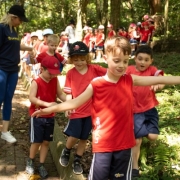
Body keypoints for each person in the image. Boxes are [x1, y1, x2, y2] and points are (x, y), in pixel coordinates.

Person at [31, 36, 180, 180]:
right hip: (103, 144)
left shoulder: (129, 79)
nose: (121, 65)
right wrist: (50, 109)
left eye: (125, 61)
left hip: (124, 144)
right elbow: (75, 102)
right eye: (116, 61)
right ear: (105, 58)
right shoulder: (96, 84)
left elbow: (160, 78)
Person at [59, 41, 106, 175]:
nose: (79, 62)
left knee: (84, 138)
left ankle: (77, 160)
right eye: (76, 59)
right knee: (74, 135)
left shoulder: (94, 69)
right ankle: (67, 151)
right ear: (72, 60)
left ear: (87, 58)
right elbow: (68, 93)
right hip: (76, 110)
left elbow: (110, 73)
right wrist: (68, 106)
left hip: (91, 111)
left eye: (82, 59)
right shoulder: (71, 74)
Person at [126, 45, 164, 178]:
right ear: (135, 58)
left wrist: (159, 84)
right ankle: (134, 167)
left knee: (153, 136)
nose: (142, 62)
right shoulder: (129, 70)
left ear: (151, 61)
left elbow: (161, 78)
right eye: (140, 59)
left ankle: (141, 131)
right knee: (137, 140)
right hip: (135, 110)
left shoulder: (152, 70)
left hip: (149, 109)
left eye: (146, 60)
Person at [25, 55, 66, 178]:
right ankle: (31, 160)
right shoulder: (36, 81)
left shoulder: (55, 80)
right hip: (37, 116)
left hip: (50, 116)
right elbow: (31, 98)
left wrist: (70, 101)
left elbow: (60, 94)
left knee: (46, 142)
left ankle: (41, 164)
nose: (53, 76)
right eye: (50, 73)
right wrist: (47, 104)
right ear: (42, 69)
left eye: (55, 73)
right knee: (36, 141)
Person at [0, 4, 32, 143]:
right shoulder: (1, 28)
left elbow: (15, 45)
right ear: (13, 17)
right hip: (2, 69)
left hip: (13, 70)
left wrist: (31, 48)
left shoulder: (14, 30)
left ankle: (5, 131)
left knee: (8, 99)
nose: (21, 22)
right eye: (20, 19)